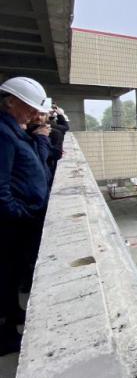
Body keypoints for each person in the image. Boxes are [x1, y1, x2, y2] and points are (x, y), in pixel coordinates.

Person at [0, 76, 52, 355]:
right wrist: (20, 213)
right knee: (6, 276)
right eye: (29, 107)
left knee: (16, 273)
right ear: (10, 102)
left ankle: (13, 313)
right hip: (12, 225)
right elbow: (1, 188)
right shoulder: (3, 134)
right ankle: (5, 336)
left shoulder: (15, 130)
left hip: (23, 221)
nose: (34, 113)